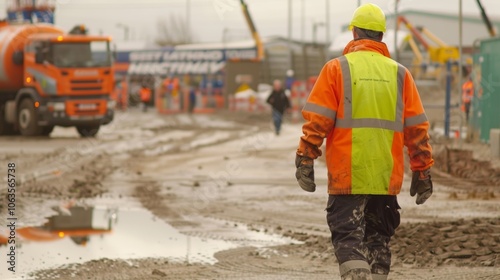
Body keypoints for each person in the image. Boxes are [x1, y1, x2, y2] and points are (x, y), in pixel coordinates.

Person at [294, 3, 434, 280]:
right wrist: (423, 169)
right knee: (378, 239)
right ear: (381, 36)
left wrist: (306, 156)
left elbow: (318, 120)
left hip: (348, 174)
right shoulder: (401, 74)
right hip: (385, 175)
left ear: (354, 33)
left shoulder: (336, 69)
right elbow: (417, 129)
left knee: (348, 237)